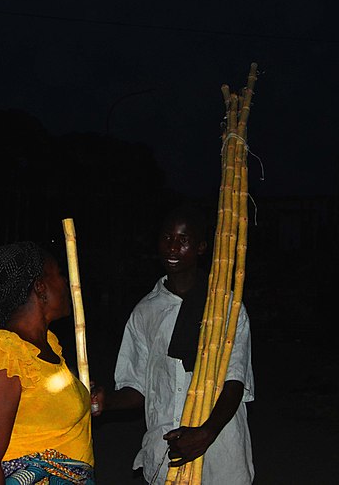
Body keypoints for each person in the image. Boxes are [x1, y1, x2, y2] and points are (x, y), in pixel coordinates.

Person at [92, 206, 255, 484]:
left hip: (220, 449)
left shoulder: (226, 306)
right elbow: (138, 387)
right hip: (166, 449)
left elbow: (235, 380)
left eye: (184, 240)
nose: (173, 247)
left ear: (201, 247)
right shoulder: (145, 312)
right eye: (167, 238)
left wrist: (206, 433)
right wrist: (107, 402)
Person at [0, 241, 95, 485]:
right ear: (40, 287)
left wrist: (84, 398)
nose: (65, 282)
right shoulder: (3, 355)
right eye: (59, 275)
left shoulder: (49, 344)